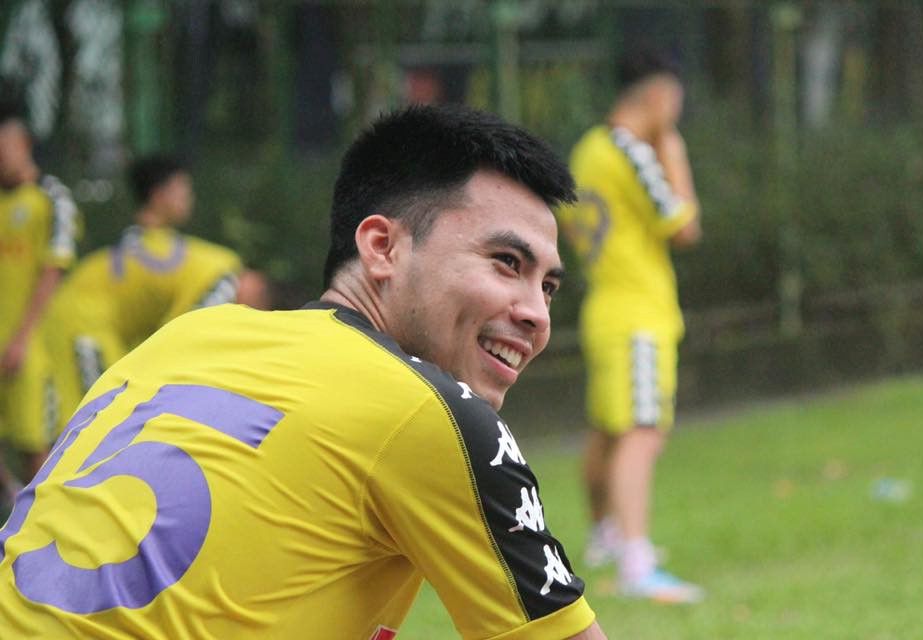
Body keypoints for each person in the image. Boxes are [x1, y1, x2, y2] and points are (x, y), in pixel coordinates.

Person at [0, 105, 608, 639]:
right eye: (506, 262)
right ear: (382, 247)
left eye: (549, 287)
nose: (536, 314)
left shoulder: (183, 338)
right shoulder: (432, 411)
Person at [556, 49, 703, 603]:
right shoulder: (631, 150)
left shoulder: (587, 150)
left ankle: (605, 537)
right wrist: (675, 154)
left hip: (604, 305)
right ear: (659, 96)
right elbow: (684, 226)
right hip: (639, 313)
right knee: (642, 433)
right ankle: (637, 564)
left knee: (609, 430)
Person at [42, 154, 244, 435]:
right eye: (183, 189)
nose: (190, 198)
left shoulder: (143, 245)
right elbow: (180, 334)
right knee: (96, 428)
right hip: (82, 326)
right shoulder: (207, 263)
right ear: (159, 195)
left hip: (86, 322)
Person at [0, 101, 80, 506]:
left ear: (25, 144)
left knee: (35, 440)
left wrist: (22, 337)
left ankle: (50, 516)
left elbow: (54, 268)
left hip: (32, 342)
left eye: (6, 146)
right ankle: (16, 503)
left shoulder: (51, 197)